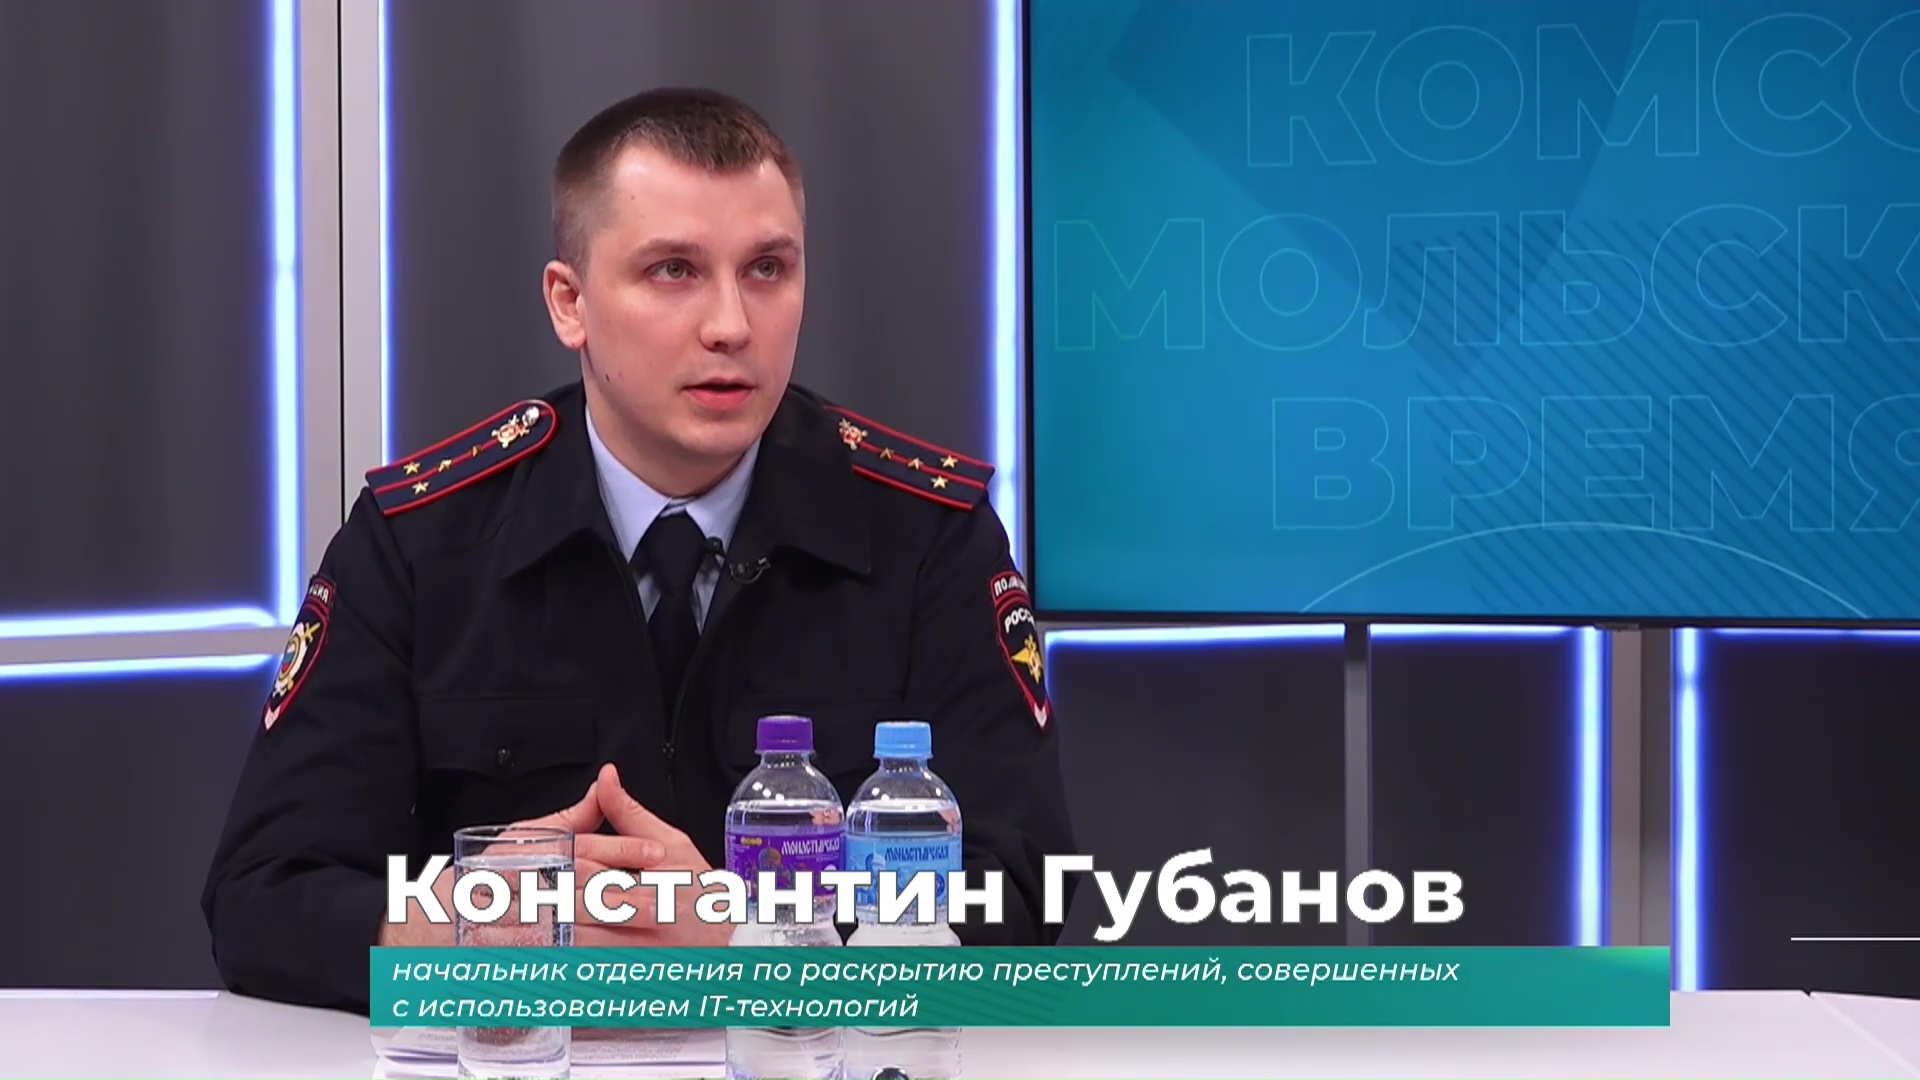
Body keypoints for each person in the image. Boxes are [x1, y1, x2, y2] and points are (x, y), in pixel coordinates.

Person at [200, 86, 1075, 1014]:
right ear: (569, 303)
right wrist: (454, 928)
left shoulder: (928, 533)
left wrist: (746, 940)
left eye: (768, 268)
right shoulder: (422, 541)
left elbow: (1024, 888)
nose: (731, 324)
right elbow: (262, 895)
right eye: (673, 271)